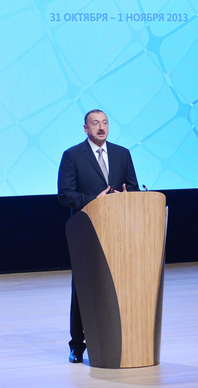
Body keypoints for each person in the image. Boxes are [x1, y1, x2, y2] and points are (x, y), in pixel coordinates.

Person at [57, 109, 139, 363]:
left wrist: (127, 197)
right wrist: (95, 200)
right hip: (87, 229)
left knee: (118, 285)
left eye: (104, 123)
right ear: (86, 129)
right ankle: (77, 345)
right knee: (83, 288)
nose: (101, 127)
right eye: (95, 123)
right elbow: (65, 194)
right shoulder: (72, 155)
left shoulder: (122, 154)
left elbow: (133, 188)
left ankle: (119, 340)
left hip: (119, 230)